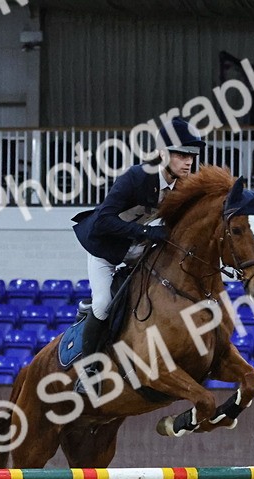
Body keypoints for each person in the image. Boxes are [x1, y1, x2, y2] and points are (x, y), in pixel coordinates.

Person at [71, 117, 205, 359]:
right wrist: (146, 232)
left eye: (192, 156)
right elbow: (103, 220)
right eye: (182, 155)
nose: (189, 162)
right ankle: (88, 365)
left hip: (140, 252)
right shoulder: (137, 177)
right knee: (102, 304)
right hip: (107, 251)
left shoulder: (184, 186)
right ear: (163, 154)